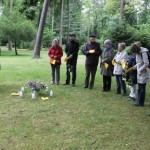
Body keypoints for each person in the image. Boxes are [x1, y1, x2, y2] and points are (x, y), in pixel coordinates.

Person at [131, 42, 149, 107]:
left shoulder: (144, 52)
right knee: (140, 87)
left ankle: (141, 102)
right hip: (139, 72)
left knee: (142, 88)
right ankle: (138, 101)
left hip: (144, 72)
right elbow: (139, 62)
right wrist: (134, 67)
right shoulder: (137, 52)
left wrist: (140, 70)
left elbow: (146, 63)